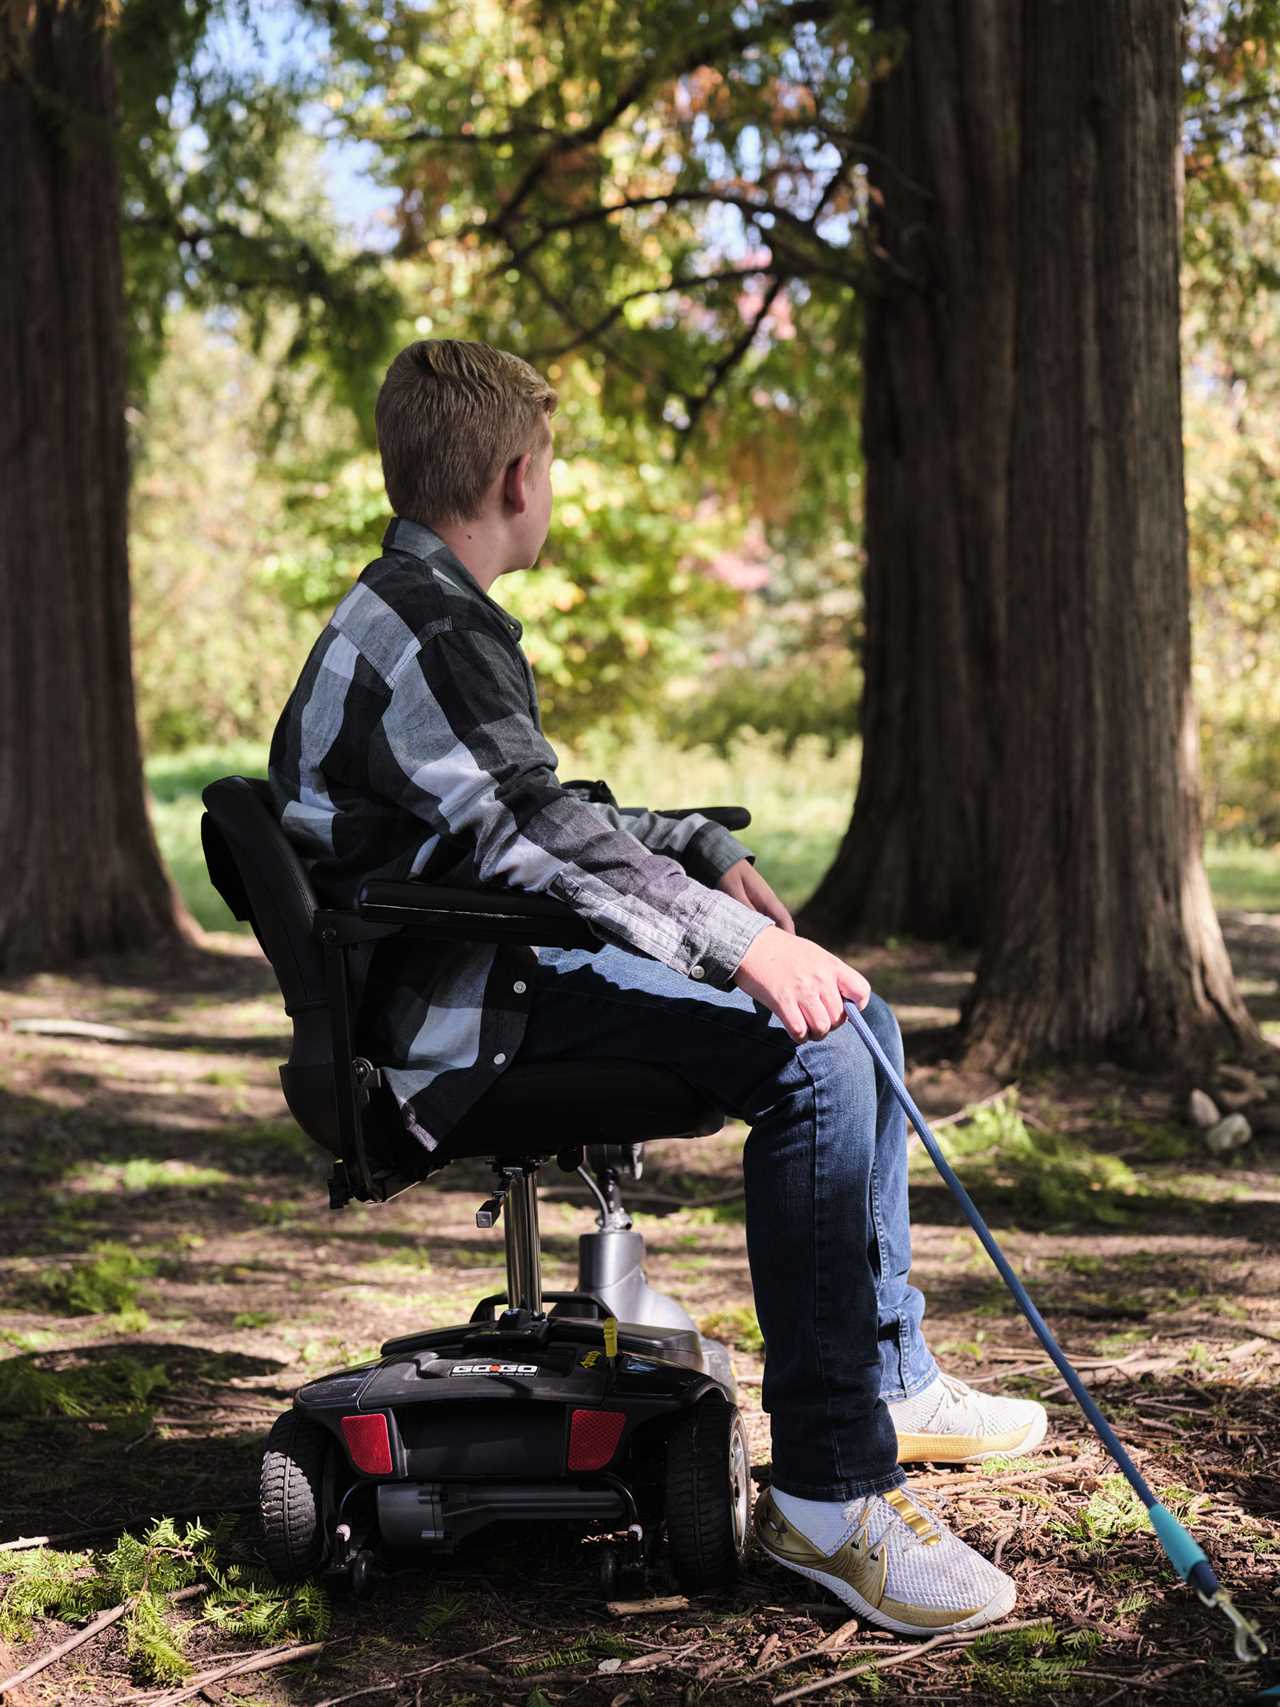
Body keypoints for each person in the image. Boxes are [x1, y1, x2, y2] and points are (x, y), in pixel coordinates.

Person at [269, 338, 1047, 1637]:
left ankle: (885, 1385)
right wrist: (737, 947)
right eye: (553, 463)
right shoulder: (437, 632)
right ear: (519, 478)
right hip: (457, 1017)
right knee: (817, 1049)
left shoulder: (413, 610)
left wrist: (695, 849)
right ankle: (829, 1499)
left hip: (460, 968)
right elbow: (537, 838)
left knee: (852, 1014)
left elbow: (524, 813)